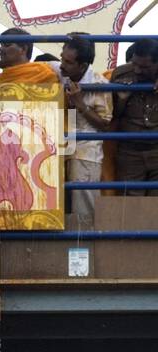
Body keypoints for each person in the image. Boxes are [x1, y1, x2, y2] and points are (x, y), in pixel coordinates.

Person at [48, 36, 112, 227]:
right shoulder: (58, 71)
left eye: (68, 62)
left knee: (83, 211)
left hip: (85, 151)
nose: (62, 65)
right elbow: (33, 67)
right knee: (57, 208)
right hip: (59, 148)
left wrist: (80, 104)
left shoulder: (100, 84)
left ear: (83, 65)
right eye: (62, 58)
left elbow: (105, 125)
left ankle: (85, 251)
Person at [111, 38, 158, 196]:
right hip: (129, 152)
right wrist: (122, 100)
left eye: (144, 66)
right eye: (134, 64)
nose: (137, 70)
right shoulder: (120, 74)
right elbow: (111, 117)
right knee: (129, 206)